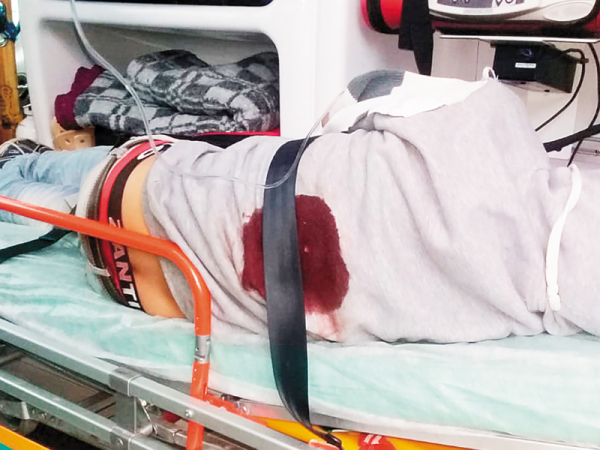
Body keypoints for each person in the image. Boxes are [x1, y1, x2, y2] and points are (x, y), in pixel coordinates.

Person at [1, 71, 598, 345]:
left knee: (73, 180)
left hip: (147, 183)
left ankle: (19, 163)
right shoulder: (491, 321)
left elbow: (362, 92)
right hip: (154, 289)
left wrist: (337, 155)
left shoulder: (485, 122)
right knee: (55, 205)